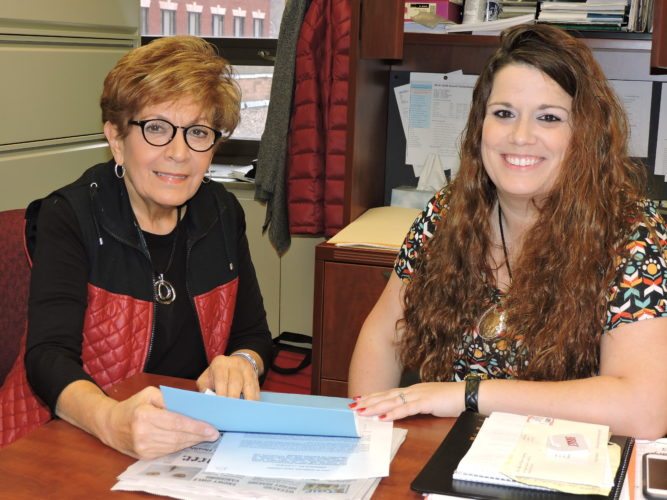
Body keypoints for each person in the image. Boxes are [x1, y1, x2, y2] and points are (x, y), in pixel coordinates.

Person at [348, 24, 667, 440]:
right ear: (480, 124)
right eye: (504, 113)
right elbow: (383, 336)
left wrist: (468, 395)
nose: (520, 136)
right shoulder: (447, 213)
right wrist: (368, 438)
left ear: (585, 135)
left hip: (563, 461)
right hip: (452, 454)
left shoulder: (631, 235)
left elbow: (643, 411)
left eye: (549, 118)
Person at [19, 36, 273, 457]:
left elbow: (253, 335)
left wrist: (241, 363)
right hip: (78, 435)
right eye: (156, 128)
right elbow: (48, 356)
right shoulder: (70, 215)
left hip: (185, 439)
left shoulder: (222, 212)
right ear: (117, 139)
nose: (179, 153)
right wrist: (111, 421)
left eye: (198, 132)